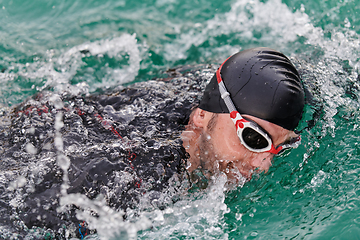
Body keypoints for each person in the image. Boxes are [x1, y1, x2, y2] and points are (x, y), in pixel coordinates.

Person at [0, 47, 304, 239]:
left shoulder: (205, 98)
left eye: (282, 146)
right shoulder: (123, 183)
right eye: (253, 138)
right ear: (201, 116)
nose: (264, 164)